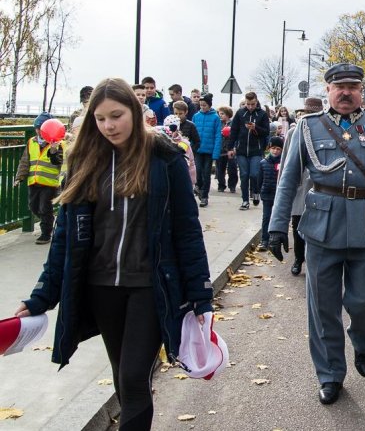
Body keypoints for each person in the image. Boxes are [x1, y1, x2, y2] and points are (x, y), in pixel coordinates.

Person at [14, 78, 213, 430]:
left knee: (135, 376)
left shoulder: (164, 158)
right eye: (101, 118)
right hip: (101, 286)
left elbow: (186, 229)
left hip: (150, 287)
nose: (109, 125)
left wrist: (200, 295)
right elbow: (65, 239)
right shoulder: (84, 161)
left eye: (117, 116)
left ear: (135, 113)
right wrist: (41, 297)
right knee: (123, 377)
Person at [266, 63, 365, 405]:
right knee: (323, 308)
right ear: (327, 90)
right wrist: (275, 226)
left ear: (361, 91)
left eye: (352, 86)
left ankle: (360, 340)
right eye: (339, 86)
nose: (346, 92)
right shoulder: (308, 126)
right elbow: (289, 180)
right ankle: (330, 375)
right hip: (321, 228)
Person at [282, 98, 324, 276]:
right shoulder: (294, 132)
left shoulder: (327, 131)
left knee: (318, 228)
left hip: (319, 188)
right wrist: (283, 189)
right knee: (298, 225)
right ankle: (299, 259)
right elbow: (285, 160)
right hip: (299, 186)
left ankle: (315, 262)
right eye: (307, 113)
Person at [15, 112, 65, 244]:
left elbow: (59, 161)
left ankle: (46, 233)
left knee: (44, 207)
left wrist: (54, 150)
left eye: (41, 128)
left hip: (50, 183)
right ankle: (48, 220)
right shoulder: (32, 142)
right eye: (37, 128)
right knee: (33, 207)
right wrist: (19, 177)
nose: (38, 131)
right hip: (34, 181)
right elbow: (25, 161)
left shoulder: (58, 143)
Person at [226, 91, 270, 210]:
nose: (250, 106)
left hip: (256, 150)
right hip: (241, 150)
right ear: (245, 102)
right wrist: (230, 148)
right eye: (248, 104)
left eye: (253, 104)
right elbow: (234, 131)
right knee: (244, 175)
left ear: (256, 102)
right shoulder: (240, 113)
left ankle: (256, 192)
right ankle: (245, 200)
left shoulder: (262, 114)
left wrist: (256, 128)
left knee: (254, 174)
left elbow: (266, 131)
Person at [192, 93, 222, 207]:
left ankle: (205, 196)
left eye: (204, 105)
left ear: (209, 105)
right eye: (201, 105)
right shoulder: (196, 116)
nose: (202, 107)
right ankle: (198, 187)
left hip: (209, 151)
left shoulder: (215, 118)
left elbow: (218, 136)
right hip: (198, 150)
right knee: (198, 171)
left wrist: (216, 153)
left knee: (206, 173)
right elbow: (192, 133)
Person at [256, 136, 283, 249]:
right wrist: (256, 194)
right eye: (273, 148)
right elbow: (259, 180)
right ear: (269, 148)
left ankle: (276, 240)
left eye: (278, 149)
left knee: (278, 218)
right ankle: (264, 239)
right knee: (266, 217)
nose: (275, 151)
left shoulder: (284, 163)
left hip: (279, 195)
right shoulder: (263, 163)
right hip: (267, 194)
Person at [216, 106, 238, 193]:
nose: (220, 115)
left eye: (222, 114)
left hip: (231, 148)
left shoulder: (233, 124)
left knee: (232, 168)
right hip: (221, 148)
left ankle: (232, 185)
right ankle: (221, 185)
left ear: (228, 114)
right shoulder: (218, 124)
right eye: (219, 114)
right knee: (220, 168)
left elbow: (236, 135)